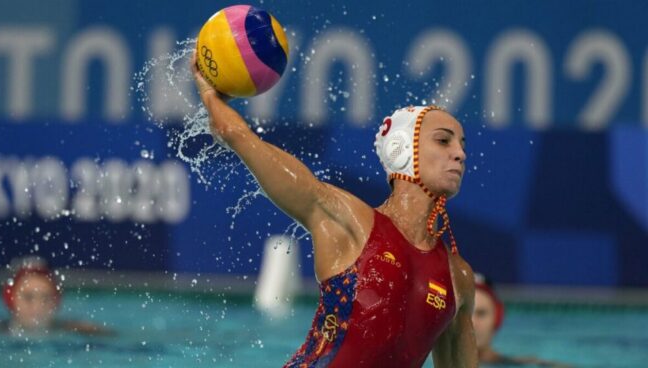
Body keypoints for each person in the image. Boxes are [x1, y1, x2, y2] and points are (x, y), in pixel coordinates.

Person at [191, 51, 477, 367]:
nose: (460, 154)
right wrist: (208, 93)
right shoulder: (349, 221)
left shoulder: (457, 277)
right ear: (401, 150)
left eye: (462, 144)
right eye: (443, 141)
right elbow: (238, 136)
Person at [0, 256, 112, 337]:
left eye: (45, 298)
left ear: (56, 302)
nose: (37, 306)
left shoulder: (76, 330)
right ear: (11, 299)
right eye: (28, 297)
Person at [473, 273, 572, 367]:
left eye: (481, 313)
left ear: (497, 318)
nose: (473, 323)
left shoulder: (531, 364)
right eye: (465, 314)